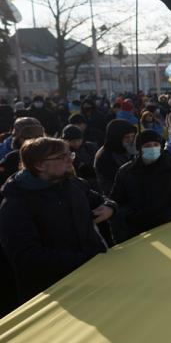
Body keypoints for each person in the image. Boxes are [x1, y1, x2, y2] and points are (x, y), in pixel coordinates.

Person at [0, 137, 112, 303]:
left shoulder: (72, 184)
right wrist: (86, 258)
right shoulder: (16, 203)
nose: (69, 161)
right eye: (61, 157)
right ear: (39, 165)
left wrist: (110, 207)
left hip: (95, 277)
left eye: (69, 155)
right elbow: (26, 257)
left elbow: (101, 200)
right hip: (55, 294)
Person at [110, 130, 171, 243]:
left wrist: (163, 217)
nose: (152, 148)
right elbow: (117, 200)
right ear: (139, 148)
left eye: (156, 145)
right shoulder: (126, 172)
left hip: (168, 229)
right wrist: (132, 215)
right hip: (136, 233)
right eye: (147, 146)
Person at [94, 119, 138, 200]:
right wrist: (135, 158)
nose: (131, 140)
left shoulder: (126, 150)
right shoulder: (105, 156)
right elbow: (122, 180)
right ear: (116, 137)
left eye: (132, 136)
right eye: (127, 137)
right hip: (116, 199)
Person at [0, 118, 46, 187]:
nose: (32, 140)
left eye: (37, 136)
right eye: (27, 136)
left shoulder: (47, 152)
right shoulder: (10, 155)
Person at [62, 124, 98, 188]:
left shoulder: (90, 147)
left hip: (95, 181)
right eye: (73, 141)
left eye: (79, 140)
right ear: (65, 141)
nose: (76, 143)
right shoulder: (63, 152)